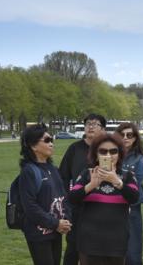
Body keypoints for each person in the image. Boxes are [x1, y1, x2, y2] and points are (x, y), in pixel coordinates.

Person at [68, 133, 139, 265]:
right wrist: (91, 185)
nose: (108, 155)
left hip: (117, 241)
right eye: (103, 151)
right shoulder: (87, 174)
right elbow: (72, 198)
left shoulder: (127, 175)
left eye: (113, 151)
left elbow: (134, 198)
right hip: (89, 241)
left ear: (119, 154)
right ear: (96, 154)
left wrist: (117, 182)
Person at [19, 124, 72, 265]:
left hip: (55, 230)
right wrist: (56, 223)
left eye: (52, 139)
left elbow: (63, 197)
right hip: (38, 234)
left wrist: (65, 220)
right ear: (33, 146)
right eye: (47, 140)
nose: (51, 143)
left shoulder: (53, 169)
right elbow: (30, 207)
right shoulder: (29, 172)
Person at [59, 113, 106, 265]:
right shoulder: (75, 148)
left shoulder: (107, 149)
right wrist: (67, 200)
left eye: (95, 124)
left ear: (103, 129)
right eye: (88, 124)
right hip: (77, 204)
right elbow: (63, 176)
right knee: (73, 247)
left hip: (101, 204)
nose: (90, 127)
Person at [115, 123, 143, 265]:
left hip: (131, 205)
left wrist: (116, 181)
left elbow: (136, 182)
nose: (125, 138)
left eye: (129, 135)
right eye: (122, 135)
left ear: (135, 138)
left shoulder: (139, 158)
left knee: (133, 247)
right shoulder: (111, 152)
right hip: (111, 204)